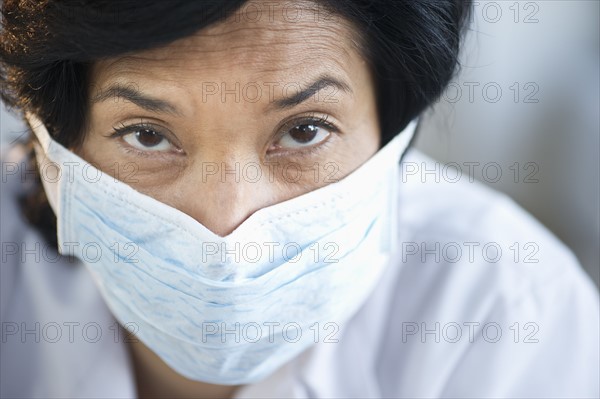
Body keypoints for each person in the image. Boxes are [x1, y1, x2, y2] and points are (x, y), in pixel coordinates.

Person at [0, 1, 598, 398]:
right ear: (53, 147)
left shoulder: (506, 309)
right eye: (148, 136)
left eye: (304, 130)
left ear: (392, 132)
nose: (226, 223)